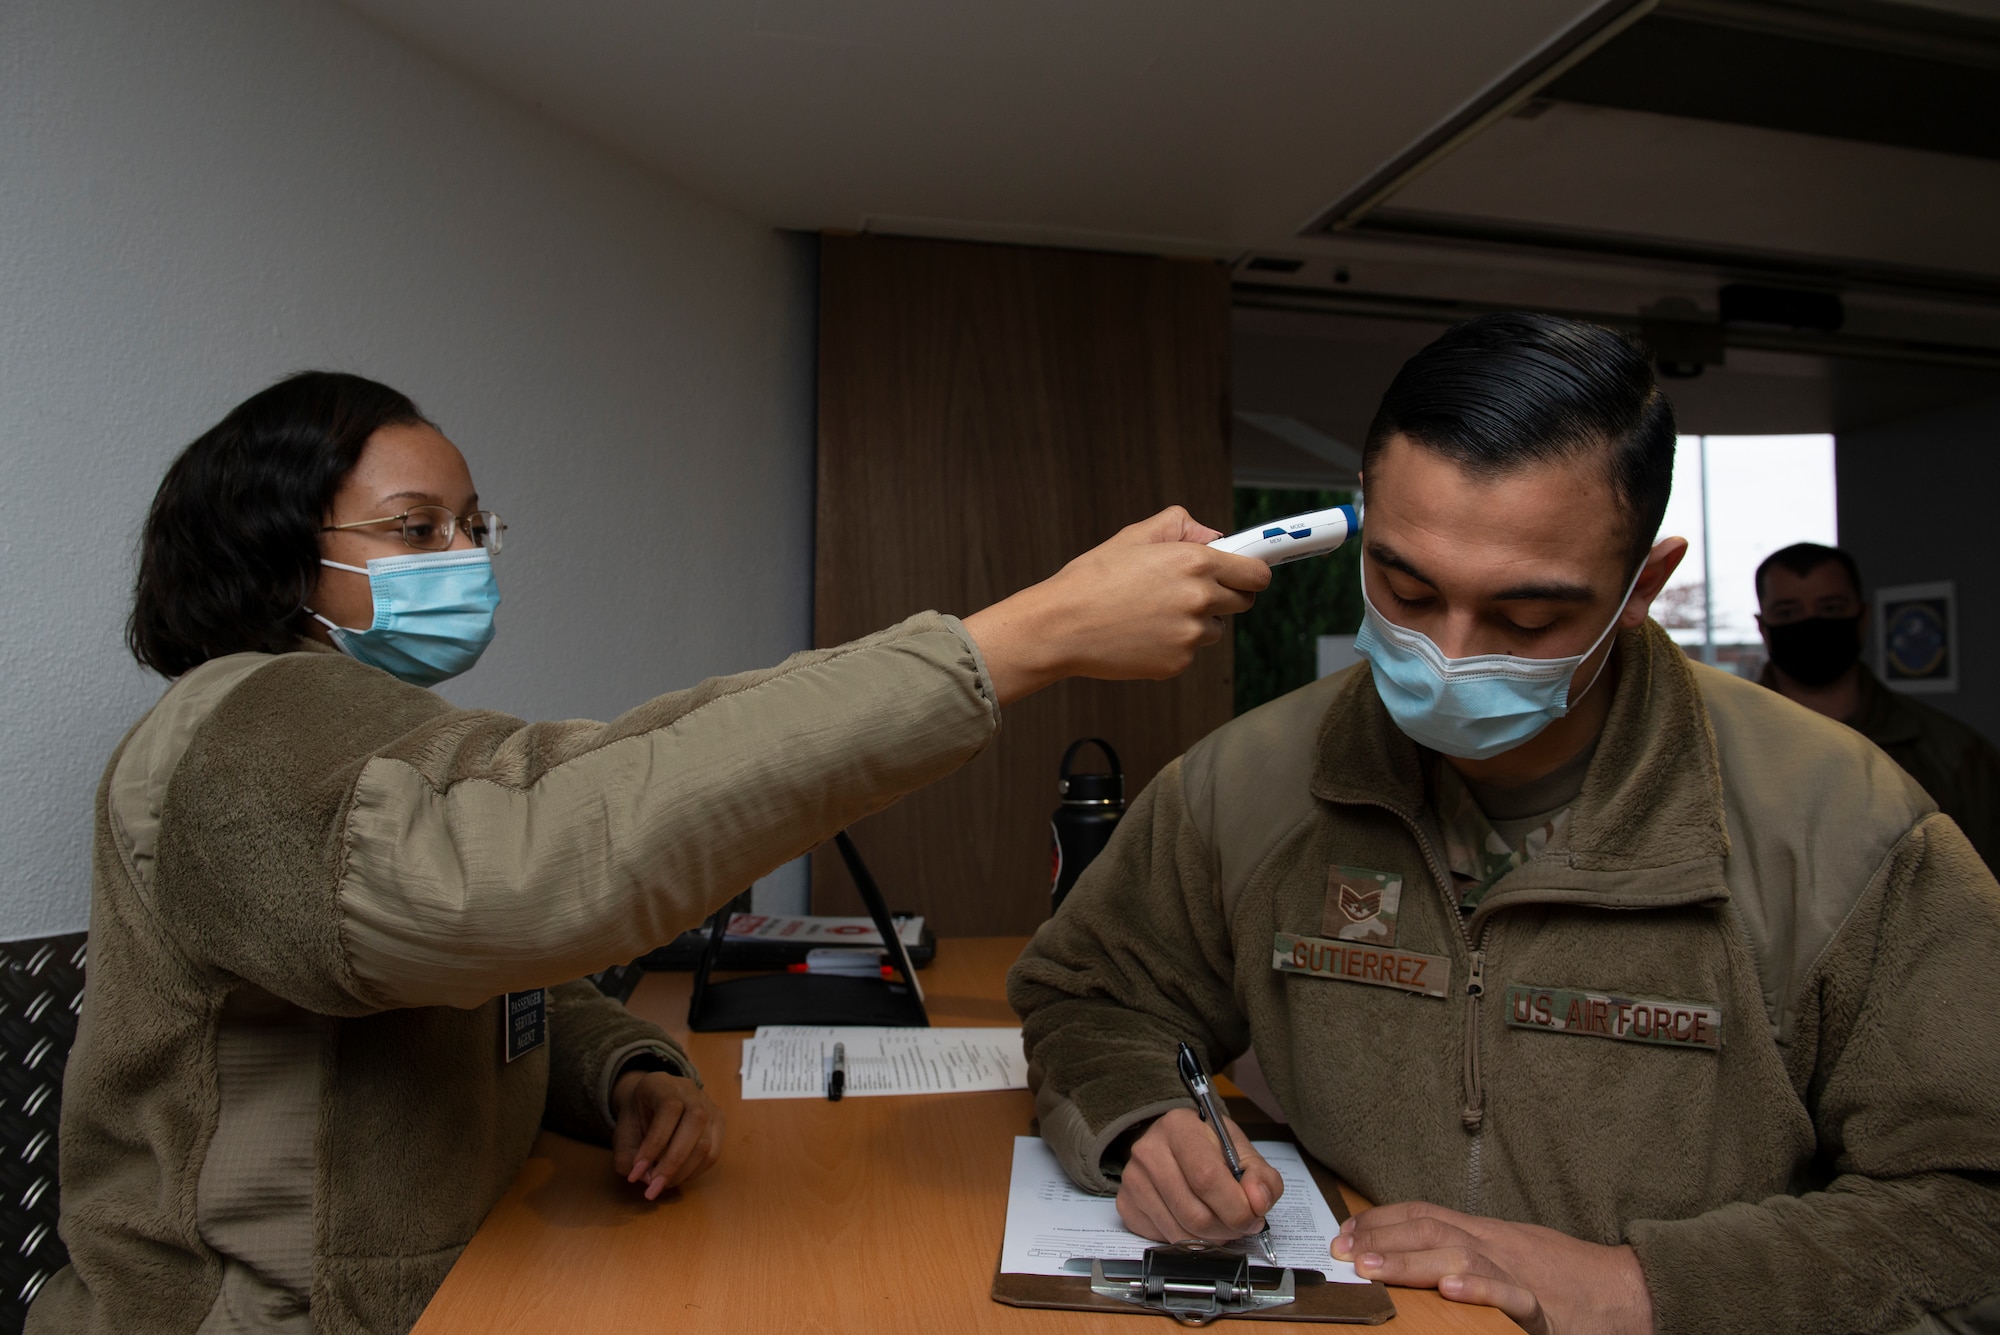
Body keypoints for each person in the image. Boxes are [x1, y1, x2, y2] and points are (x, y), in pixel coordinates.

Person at [31, 371, 1272, 1335]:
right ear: (270, 554)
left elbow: (467, 977)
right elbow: (524, 885)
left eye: (473, 527)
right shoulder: (237, 734)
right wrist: (1022, 640)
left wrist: (624, 1067)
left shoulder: (375, 733)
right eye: (415, 531)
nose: (461, 558)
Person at [1008, 314, 2000, 1335]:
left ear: (1639, 590)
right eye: (1406, 588)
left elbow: (1972, 1208)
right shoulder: (1250, 781)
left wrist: (1642, 1288)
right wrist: (1145, 1119)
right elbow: (1090, 993)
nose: (1446, 653)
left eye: (1525, 620)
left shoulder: (1846, 832)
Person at [1755, 541, 1999, 868]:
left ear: (1862, 616)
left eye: (1830, 608)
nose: (1810, 623)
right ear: (1763, 627)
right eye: (1788, 612)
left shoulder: (1958, 756)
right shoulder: (1719, 746)